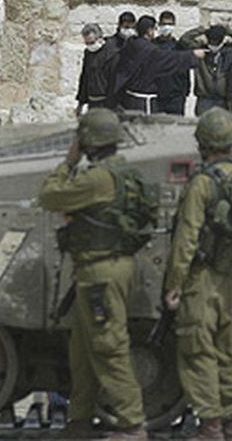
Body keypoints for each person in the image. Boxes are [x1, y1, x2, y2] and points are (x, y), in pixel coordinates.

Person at [38, 109, 150, 441]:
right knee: (82, 349)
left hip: (101, 272)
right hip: (109, 267)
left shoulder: (97, 179)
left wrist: (68, 162)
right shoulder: (124, 172)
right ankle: (79, 420)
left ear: (88, 141)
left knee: (107, 345)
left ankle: (132, 425)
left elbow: (49, 196)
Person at [164, 108, 232, 441]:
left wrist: (174, 284)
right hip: (229, 278)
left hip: (200, 278)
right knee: (226, 352)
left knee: (197, 350)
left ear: (203, 142)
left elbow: (186, 237)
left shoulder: (203, 182)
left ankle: (210, 427)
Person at [108, 15, 206, 114]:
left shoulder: (131, 44)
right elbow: (169, 59)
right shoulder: (148, 49)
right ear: (149, 31)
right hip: (143, 102)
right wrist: (193, 55)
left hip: (128, 98)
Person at [180, 25, 232, 116]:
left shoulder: (229, 51)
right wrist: (203, 29)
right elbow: (184, 40)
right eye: (212, 41)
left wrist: (227, 30)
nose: (214, 45)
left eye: (217, 42)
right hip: (204, 98)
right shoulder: (201, 50)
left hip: (223, 99)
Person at [153, 10, 190, 115]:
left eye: (169, 24)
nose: (166, 27)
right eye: (164, 24)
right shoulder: (153, 46)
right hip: (157, 96)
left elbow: (185, 73)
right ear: (159, 25)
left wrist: (184, 93)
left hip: (175, 97)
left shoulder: (179, 47)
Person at [75, 23, 106, 116]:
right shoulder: (88, 54)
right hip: (92, 101)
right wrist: (80, 103)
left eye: (92, 43)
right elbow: (85, 77)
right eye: (87, 43)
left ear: (99, 38)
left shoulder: (110, 54)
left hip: (106, 102)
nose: (90, 46)